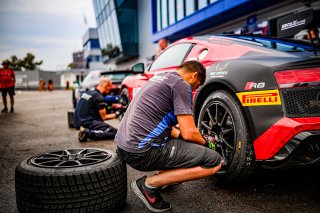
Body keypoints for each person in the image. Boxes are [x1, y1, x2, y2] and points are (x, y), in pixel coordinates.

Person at [115, 61, 222, 212]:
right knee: (213, 161)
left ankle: (163, 178)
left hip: (125, 146)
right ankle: (149, 185)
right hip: (142, 152)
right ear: (194, 76)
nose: (194, 89)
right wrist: (206, 143)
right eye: (196, 86)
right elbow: (189, 133)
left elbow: (165, 127)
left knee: (177, 143)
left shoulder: (159, 78)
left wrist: (183, 140)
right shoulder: (181, 85)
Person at [74, 77, 125, 142]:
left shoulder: (88, 92)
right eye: (110, 88)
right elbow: (104, 117)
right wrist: (119, 112)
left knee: (102, 125)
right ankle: (87, 133)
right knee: (115, 133)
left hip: (78, 121)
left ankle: (86, 130)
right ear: (106, 87)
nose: (110, 91)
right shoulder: (99, 97)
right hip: (88, 122)